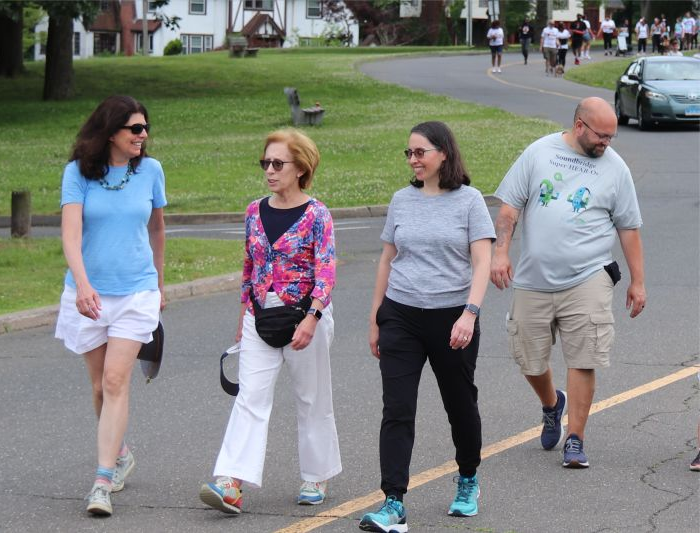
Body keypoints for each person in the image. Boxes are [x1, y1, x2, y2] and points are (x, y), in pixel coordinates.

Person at [491, 97, 646, 469]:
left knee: (584, 356)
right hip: (533, 278)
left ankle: (575, 438)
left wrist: (638, 281)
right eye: (601, 135)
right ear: (579, 126)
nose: (607, 143)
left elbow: (629, 228)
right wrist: (501, 253)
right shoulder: (538, 153)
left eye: (612, 136)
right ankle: (551, 404)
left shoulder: (615, 168)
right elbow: (509, 208)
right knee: (528, 357)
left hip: (588, 275)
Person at [358, 121, 495, 532]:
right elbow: (387, 258)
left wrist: (469, 313)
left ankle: (467, 478)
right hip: (401, 314)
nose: (413, 160)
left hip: (452, 316)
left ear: (444, 154)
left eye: (420, 152)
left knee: (460, 404)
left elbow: (482, 262)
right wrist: (375, 316)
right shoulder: (402, 200)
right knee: (397, 408)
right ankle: (393, 501)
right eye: (409, 154)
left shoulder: (470, 202)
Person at [199, 128, 340, 515]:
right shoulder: (253, 211)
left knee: (311, 399)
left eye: (278, 163)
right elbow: (249, 267)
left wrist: (312, 318)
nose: (270, 170)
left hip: (305, 315)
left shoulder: (317, 214)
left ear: (301, 168)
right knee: (250, 396)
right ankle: (230, 481)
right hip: (261, 314)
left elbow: (326, 270)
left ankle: (316, 474)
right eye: (266, 163)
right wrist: (244, 314)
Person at [54, 95, 167, 516]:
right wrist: (82, 285)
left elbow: (157, 230)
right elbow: (70, 235)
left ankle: (102, 481)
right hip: (89, 293)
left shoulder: (151, 171)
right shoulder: (78, 173)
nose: (143, 135)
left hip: (137, 292)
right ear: (110, 132)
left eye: (145, 128)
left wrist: (158, 283)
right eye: (134, 129)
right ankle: (119, 451)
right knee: (101, 386)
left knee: (117, 382)